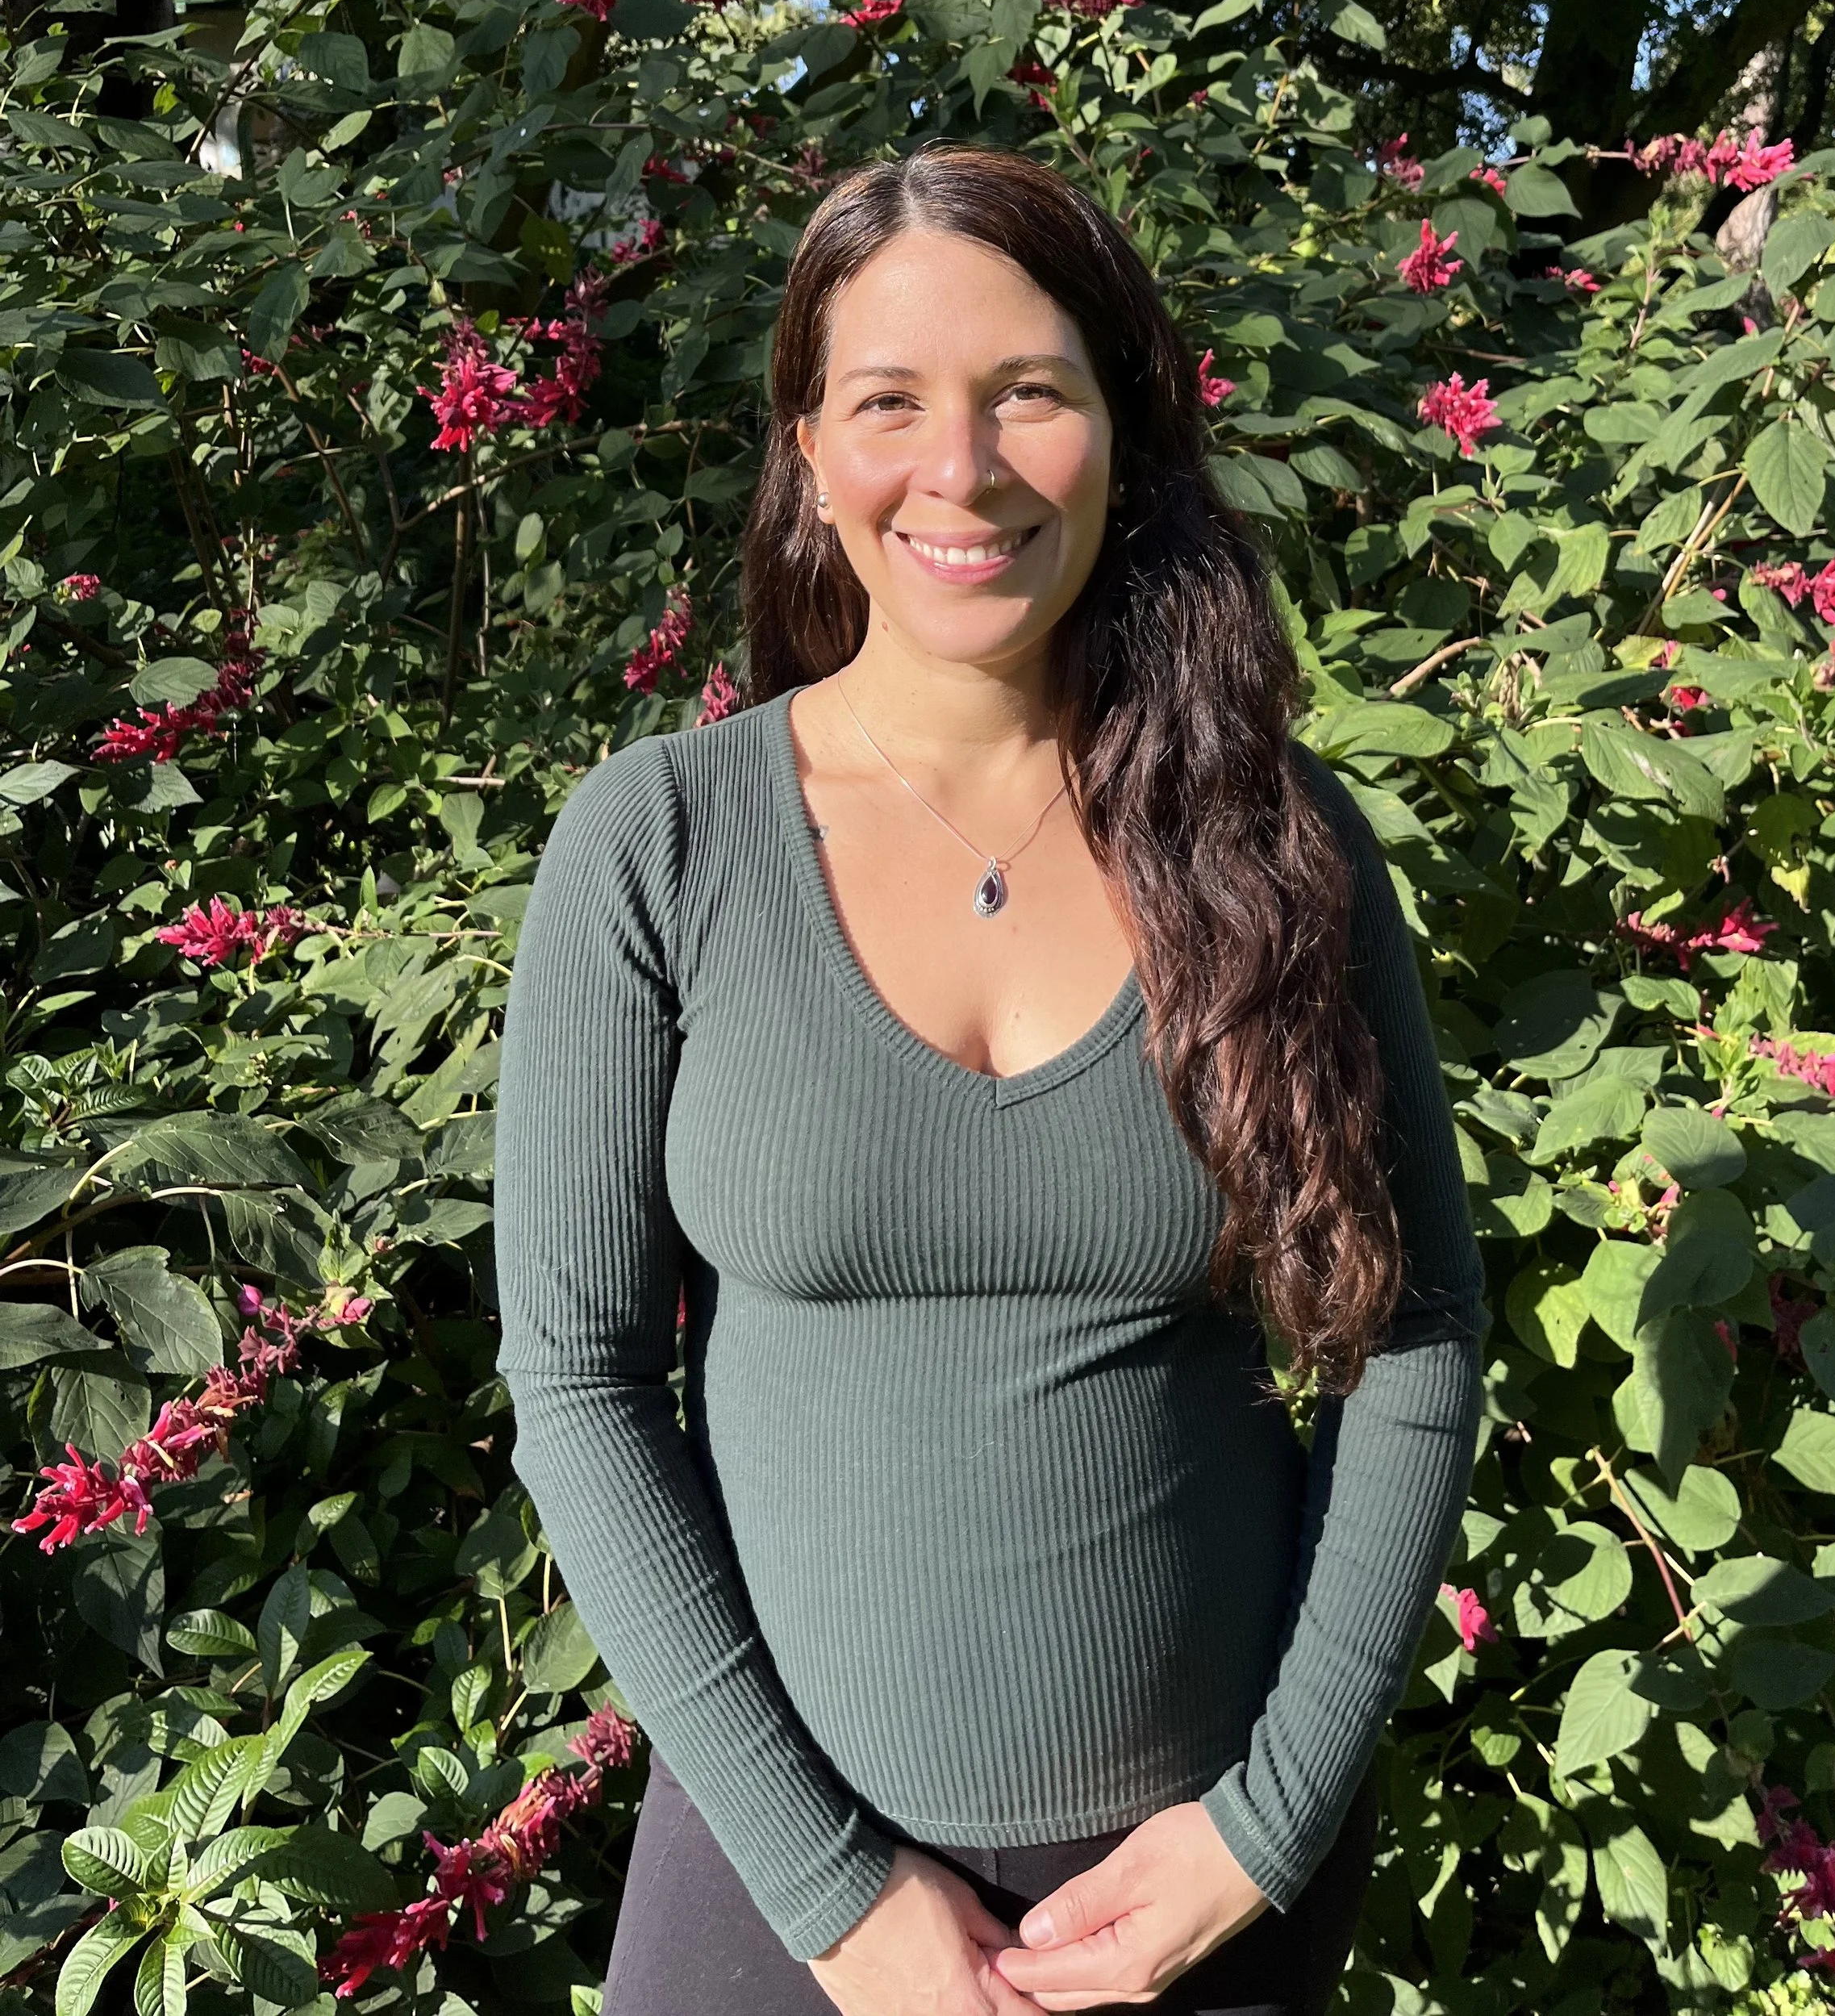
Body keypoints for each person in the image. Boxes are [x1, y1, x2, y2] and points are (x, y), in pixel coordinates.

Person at [494, 144, 1484, 2016]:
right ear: (804, 443)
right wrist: (832, 1891)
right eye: (888, 402)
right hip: (783, 1874)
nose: (959, 470)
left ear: (1121, 424)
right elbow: (575, 1376)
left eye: (1028, 390)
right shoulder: (658, 846)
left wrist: (1264, 1828)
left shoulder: (1273, 847)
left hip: (1192, 1891)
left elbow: (1415, 1331)